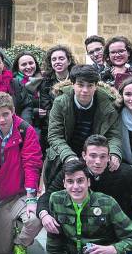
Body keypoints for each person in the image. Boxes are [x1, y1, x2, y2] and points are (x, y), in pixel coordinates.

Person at [40, 135, 132, 239]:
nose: (98, 161)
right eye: (93, 156)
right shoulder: (73, 171)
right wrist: (44, 215)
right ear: (84, 155)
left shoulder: (124, 173)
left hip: (118, 231)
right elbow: (48, 195)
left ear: (109, 157)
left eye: (103, 157)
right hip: (83, 232)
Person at [42, 65, 122, 193]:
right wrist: (68, 156)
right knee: (57, 190)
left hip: (95, 154)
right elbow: (54, 136)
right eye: (80, 85)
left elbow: (113, 135)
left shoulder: (108, 104)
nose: (85, 90)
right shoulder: (60, 102)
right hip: (65, 152)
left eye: (90, 85)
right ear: (73, 84)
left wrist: (114, 153)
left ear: (96, 86)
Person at [0, 92, 43, 254]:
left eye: (5, 114)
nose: (1, 120)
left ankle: (21, 243)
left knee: (35, 217)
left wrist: (32, 198)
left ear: (13, 111)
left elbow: (32, 164)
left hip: (17, 194)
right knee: (2, 253)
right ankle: (11, 229)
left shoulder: (26, 131)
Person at [38, 45, 76, 145]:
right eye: (54, 59)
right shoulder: (45, 82)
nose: (57, 62)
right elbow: (47, 108)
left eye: (61, 58)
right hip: (54, 125)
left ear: (69, 61)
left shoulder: (76, 78)